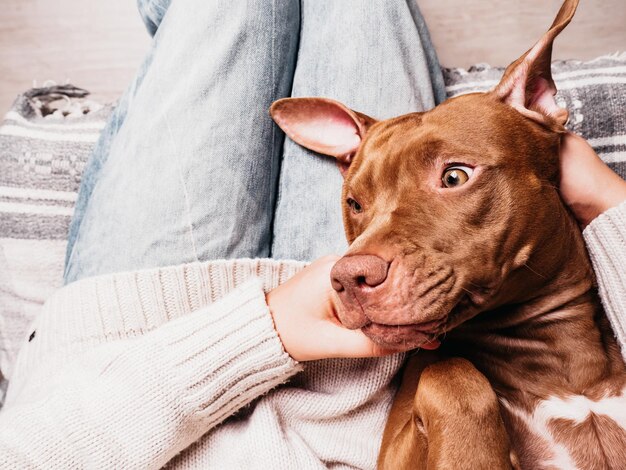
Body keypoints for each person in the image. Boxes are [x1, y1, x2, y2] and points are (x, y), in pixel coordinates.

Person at [1, 0, 625, 468]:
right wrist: (606, 199)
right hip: (348, 371)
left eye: (456, 176)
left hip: (128, 346)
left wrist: (269, 326)